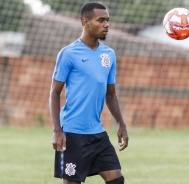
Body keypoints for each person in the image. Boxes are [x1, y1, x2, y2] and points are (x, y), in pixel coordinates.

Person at [49, 2, 129, 184]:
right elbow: (54, 93)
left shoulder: (109, 55)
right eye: (101, 20)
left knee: (116, 180)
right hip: (72, 134)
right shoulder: (68, 54)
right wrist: (57, 131)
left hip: (97, 133)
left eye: (107, 20)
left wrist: (122, 124)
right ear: (85, 22)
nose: (106, 25)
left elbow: (110, 94)